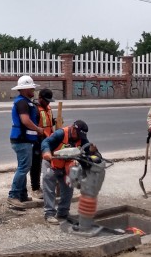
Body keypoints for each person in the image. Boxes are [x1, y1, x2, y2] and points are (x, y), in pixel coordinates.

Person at [40, 120, 91, 224]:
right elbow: (46, 142)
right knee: (49, 185)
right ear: (73, 128)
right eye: (78, 134)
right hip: (52, 163)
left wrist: (95, 157)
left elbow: (89, 150)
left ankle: (63, 213)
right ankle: (49, 214)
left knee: (68, 187)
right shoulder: (61, 133)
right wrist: (46, 152)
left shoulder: (82, 139)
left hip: (66, 165)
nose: (79, 137)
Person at [7, 75, 41, 209]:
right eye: (31, 87)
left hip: (24, 140)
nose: (33, 89)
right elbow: (25, 121)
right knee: (23, 168)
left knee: (24, 166)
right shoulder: (22, 103)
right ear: (25, 88)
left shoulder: (25, 101)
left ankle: (21, 194)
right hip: (22, 140)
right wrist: (38, 129)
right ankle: (13, 195)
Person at [29, 88, 56, 195]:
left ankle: (50, 185)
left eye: (49, 100)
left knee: (50, 163)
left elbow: (48, 122)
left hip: (49, 140)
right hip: (38, 141)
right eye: (46, 100)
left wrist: (55, 121)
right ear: (40, 98)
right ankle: (35, 188)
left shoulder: (48, 107)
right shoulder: (34, 109)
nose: (48, 102)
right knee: (36, 165)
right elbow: (33, 126)